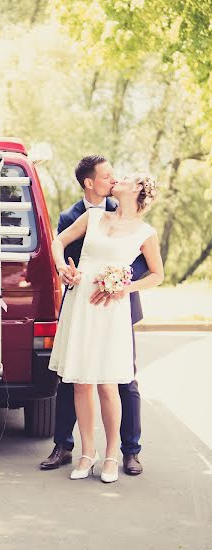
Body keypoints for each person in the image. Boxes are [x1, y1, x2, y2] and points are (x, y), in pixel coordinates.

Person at [45, 160, 163, 483]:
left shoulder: (145, 232)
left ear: (138, 190)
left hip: (112, 312)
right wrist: (62, 268)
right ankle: (87, 452)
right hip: (81, 305)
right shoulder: (93, 215)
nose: (117, 179)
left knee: (109, 384)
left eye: (124, 177)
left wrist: (124, 286)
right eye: (111, 175)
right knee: (81, 381)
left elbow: (157, 274)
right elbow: (58, 242)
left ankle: (115, 455)